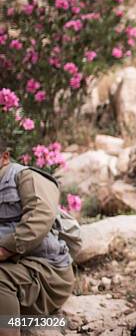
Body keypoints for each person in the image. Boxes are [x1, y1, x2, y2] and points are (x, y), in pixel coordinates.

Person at [0, 137, 76, 335]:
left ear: (4, 157)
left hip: (49, 275)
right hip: (21, 273)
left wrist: (6, 249)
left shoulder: (25, 177)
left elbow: (41, 215)